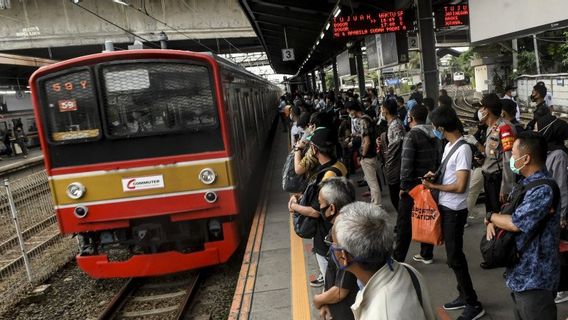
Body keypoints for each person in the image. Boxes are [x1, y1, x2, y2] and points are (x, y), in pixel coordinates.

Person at [485, 131, 561, 319]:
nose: (511, 159)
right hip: (520, 274)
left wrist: (490, 216)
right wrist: (495, 219)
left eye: (514, 155)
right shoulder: (528, 184)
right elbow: (507, 214)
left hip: (535, 278)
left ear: (525, 158)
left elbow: (515, 223)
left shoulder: (543, 189)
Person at [422, 106, 485, 320]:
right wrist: (435, 176)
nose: (434, 131)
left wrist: (434, 188)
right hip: (446, 207)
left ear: (441, 127)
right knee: (453, 256)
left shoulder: (463, 149)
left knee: (455, 257)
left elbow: (460, 186)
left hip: (455, 211)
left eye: (434, 127)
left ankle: (473, 303)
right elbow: (448, 175)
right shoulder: (449, 145)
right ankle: (463, 294)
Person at [331, 201, 436, 320]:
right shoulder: (408, 271)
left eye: (333, 243)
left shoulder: (380, 314)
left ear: (343, 256)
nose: (332, 247)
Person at [289, 127, 348, 288]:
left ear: (314, 149)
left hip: (326, 233)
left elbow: (316, 212)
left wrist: (294, 206)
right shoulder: (339, 165)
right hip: (340, 226)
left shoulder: (327, 175)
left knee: (332, 280)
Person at [394, 104, 440, 263]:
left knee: (404, 223)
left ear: (410, 118)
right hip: (428, 184)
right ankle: (426, 254)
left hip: (412, 186)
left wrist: (403, 187)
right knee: (425, 217)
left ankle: (398, 258)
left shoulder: (411, 136)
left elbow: (406, 164)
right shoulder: (434, 135)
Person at [479, 94, 516, 268]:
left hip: (498, 181)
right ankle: (492, 252)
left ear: (487, 110)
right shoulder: (491, 128)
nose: (480, 111)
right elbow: (493, 156)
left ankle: (500, 254)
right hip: (489, 178)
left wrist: (506, 187)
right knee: (491, 217)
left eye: (482, 107)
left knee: (499, 217)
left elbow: (509, 161)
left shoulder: (505, 129)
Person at [313, 177, 358, 320]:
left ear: (332, 208)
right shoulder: (343, 226)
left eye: (320, 203)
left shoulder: (347, 236)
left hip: (348, 311)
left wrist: (319, 300)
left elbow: (341, 291)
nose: (319, 207)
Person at [535, 114, 568, 304]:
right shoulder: (550, 152)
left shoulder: (559, 155)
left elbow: (562, 187)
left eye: (540, 127)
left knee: (560, 249)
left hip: (557, 212)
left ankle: (562, 288)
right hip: (550, 210)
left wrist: (562, 214)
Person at [346, 101, 382, 206]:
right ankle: (375, 202)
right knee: (373, 181)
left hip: (368, 155)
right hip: (373, 153)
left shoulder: (362, 121)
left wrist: (362, 155)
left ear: (353, 110)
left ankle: (376, 205)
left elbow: (367, 141)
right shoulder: (368, 118)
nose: (349, 114)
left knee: (372, 183)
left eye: (349, 111)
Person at [379, 99, 405, 210]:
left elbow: (395, 148)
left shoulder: (395, 125)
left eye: (381, 108)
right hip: (394, 166)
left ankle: (403, 224)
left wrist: (387, 166)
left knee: (396, 198)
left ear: (386, 110)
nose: (380, 110)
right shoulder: (392, 123)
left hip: (395, 167)